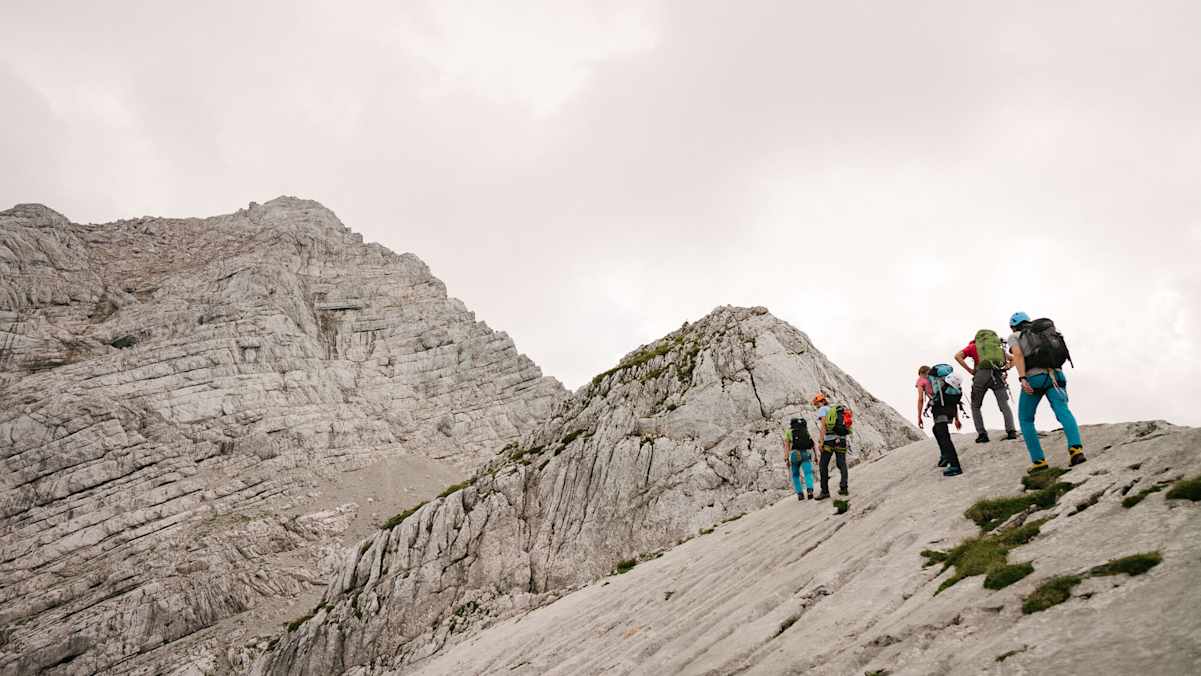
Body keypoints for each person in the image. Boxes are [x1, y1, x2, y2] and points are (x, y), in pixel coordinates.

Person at [1008, 311, 1086, 472]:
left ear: (1012, 326)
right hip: (1056, 375)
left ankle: (1039, 461)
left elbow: (1017, 355)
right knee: (1063, 411)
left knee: (1026, 419)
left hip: (1035, 378)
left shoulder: (1015, 336)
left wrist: (1022, 378)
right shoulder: (1044, 333)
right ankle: (1076, 450)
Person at [955, 331, 1018, 443]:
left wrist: (970, 370)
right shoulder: (996, 348)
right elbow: (1014, 359)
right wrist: (1007, 367)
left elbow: (957, 356)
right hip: (997, 375)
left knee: (976, 406)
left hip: (981, 376)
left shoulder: (973, 346)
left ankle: (982, 435)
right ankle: (1011, 431)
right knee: (1004, 404)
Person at [925, 364, 965, 477]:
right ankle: (945, 456)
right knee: (936, 430)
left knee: (943, 435)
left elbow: (925, 396)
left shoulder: (931, 380)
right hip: (950, 407)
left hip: (940, 408)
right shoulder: (948, 382)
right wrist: (956, 418)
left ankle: (955, 465)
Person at [812, 393, 848, 499]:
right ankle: (844, 487)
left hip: (829, 441)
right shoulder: (834, 410)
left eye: (816, 404)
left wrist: (821, 442)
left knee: (823, 465)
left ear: (821, 401)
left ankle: (825, 491)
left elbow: (823, 425)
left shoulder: (823, 409)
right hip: (841, 439)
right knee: (841, 463)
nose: (816, 406)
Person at [783, 418, 816, 500]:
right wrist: (816, 456)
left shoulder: (788, 432)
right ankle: (809, 490)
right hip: (805, 453)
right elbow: (812, 443)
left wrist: (786, 458)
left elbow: (787, 446)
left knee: (795, 475)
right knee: (807, 473)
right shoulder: (804, 429)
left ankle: (800, 494)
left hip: (795, 454)